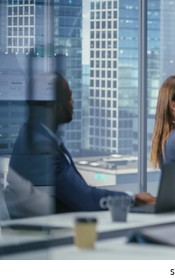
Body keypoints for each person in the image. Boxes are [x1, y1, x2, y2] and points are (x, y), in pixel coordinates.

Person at [9, 73, 155, 213]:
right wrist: (132, 199)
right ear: (54, 104)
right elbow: (84, 198)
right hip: (59, 231)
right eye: (68, 97)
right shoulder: (41, 146)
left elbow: (79, 192)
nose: (73, 103)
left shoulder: (38, 136)